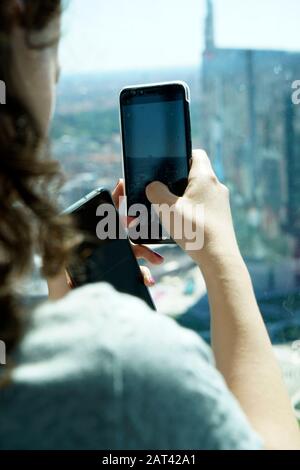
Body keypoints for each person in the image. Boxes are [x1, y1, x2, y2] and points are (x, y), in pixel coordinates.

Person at [0, 0, 299, 450]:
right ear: (16, 19)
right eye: (52, 49)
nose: (57, 73)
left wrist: (69, 313)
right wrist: (223, 260)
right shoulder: (124, 365)